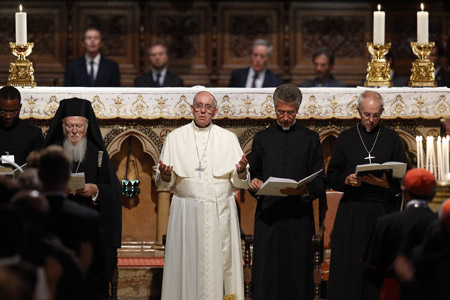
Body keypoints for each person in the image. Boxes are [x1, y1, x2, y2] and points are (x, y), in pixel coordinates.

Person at [156, 90, 250, 300]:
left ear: (215, 112)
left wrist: (242, 170)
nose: (202, 110)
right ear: (191, 109)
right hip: (186, 212)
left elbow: (239, 181)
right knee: (187, 264)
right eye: (198, 105)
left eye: (208, 107)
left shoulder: (228, 138)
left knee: (218, 265)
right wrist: (164, 174)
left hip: (220, 212)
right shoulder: (175, 138)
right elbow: (162, 182)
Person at [326, 90, 408, 300]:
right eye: (366, 115)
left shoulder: (392, 139)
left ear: (382, 112)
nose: (371, 120)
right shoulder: (345, 138)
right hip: (353, 210)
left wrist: (385, 184)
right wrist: (347, 180)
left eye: (376, 115)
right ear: (358, 111)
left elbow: (404, 178)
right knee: (350, 269)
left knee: (379, 269)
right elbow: (332, 175)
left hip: (382, 211)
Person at [248, 83, 326, 300]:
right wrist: (254, 184)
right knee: (267, 272)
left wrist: (303, 190)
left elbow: (320, 180)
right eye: (280, 112)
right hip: (269, 216)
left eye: (290, 113)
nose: (284, 117)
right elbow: (253, 175)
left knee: (297, 272)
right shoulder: (262, 138)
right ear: (274, 109)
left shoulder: (310, 139)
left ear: (297, 110)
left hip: (298, 218)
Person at [44, 98, 122, 297]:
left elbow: (112, 190)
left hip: (90, 224)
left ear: (87, 126)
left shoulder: (98, 154)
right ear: (63, 126)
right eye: (69, 126)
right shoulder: (52, 152)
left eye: (79, 126)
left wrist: (95, 189)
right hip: (58, 224)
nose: (74, 131)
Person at [38, 145, 106, 299]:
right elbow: (99, 273)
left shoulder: (26, 213)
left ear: (39, 177)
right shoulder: (88, 219)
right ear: (68, 179)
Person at [361, 168, 437, 300]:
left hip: (394, 290)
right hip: (432, 290)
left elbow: (372, 268)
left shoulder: (386, 223)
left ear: (403, 190)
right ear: (433, 195)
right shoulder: (439, 223)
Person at [0, 86, 44, 166]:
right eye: (3, 111)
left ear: (20, 108)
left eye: (13, 112)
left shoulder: (33, 133)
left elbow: (40, 165)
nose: (8, 116)